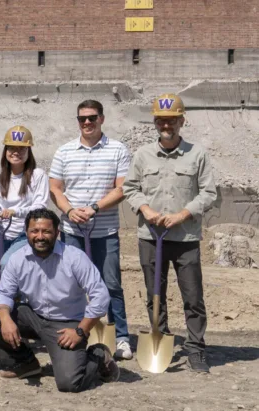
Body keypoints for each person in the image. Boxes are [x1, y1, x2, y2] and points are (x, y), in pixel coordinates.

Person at [122, 94, 218, 373]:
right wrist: (145, 209)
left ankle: (196, 348)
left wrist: (182, 214)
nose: (167, 125)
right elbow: (130, 188)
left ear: (181, 121)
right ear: (155, 122)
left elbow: (209, 193)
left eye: (172, 120)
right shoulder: (142, 155)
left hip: (185, 238)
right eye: (162, 120)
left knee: (193, 296)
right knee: (155, 293)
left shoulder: (197, 154)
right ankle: (160, 337)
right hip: (151, 236)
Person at [0, 208, 119, 392]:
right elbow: (3, 293)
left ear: (57, 233)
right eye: (34, 231)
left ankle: (98, 356)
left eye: (46, 231)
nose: (40, 236)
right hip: (34, 316)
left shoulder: (74, 258)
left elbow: (100, 296)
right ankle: (27, 363)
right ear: (27, 233)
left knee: (70, 383)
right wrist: (6, 320)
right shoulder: (18, 259)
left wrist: (81, 330)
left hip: (67, 324)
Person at [48, 100, 133, 360]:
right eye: (82, 118)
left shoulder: (118, 150)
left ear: (102, 119)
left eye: (92, 117)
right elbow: (55, 188)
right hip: (73, 231)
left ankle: (121, 337)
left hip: (104, 232)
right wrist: (71, 210)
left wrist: (95, 207)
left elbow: (122, 188)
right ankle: (78, 331)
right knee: (73, 285)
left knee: (111, 284)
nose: (87, 122)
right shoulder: (64, 151)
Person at [0, 126, 50, 269]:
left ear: (29, 151)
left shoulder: (38, 175)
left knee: (7, 264)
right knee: (9, 273)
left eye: (22, 148)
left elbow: (40, 207)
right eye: (11, 148)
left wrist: (15, 211)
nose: (16, 152)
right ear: (5, 151)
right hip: (2, 234)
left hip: (25, 234)